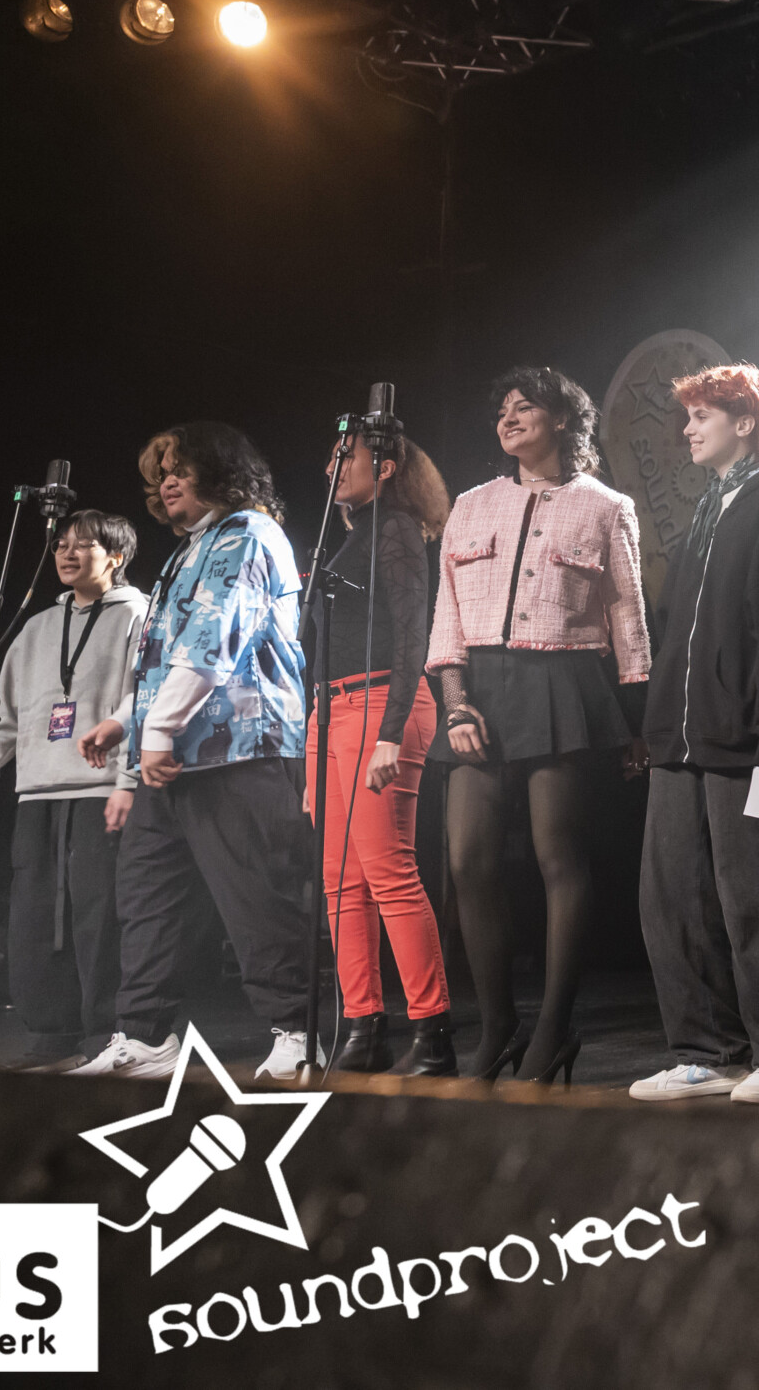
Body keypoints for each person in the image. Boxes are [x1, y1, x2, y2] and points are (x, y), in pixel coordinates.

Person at [72, 424, 316, 1082]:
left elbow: (214, 639)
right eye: (161, 473)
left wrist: (155, 732)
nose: (168, 481)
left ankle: (299, 1031)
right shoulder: (192, 548)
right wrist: (126, 721)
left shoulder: (247, 534)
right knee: (148, 899)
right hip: (177, 754)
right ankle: (144, 1037)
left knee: (256, 898)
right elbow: (167, 656)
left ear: (220, 470)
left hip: (242, 751)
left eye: (180, 467)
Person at [429, 367, 651, 1085]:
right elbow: (448, 613)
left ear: (562, 419)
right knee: (467, 859)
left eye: (526, 406)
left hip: (564, 682)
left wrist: (636, 720)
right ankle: (499, 1025)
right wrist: (455, 701)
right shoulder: (470, 504)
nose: (509, 416)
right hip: (481, 690)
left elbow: (628, 616)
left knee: (559, 857)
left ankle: (554, 1028)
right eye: (503, 408)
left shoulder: (607, 506)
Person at [630, 365, 759, 1106]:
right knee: (672, 896)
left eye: (701, 415)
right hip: (681, 740)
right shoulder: (709, 508)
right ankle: (706, 1052)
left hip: (750, 740)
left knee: (757, 890)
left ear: (746, 423)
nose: (688, 429)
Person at [0, 510, 146, 1069]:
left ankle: (107, 1033)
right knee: (34, 918)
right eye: (61, 544)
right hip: (36, 791)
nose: (67, 553)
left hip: (102, 789)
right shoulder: (37, 626)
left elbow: (145, 699)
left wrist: (128, 779)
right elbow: (2, 713)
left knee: (99, 915)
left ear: (116, 556)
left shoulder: (139, 616)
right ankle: (51, 1034)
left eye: (83, 545)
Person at [305, 428, 455, 1076]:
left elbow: (412, 634)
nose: (333, 467)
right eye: (332, 456)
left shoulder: (394, 529)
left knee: (389, 872)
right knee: (340, 881)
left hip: (380, 704)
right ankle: (364, 1028)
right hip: (331, 710)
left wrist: (391, 731)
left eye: (348, 457)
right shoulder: (348, 537)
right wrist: (314, 734)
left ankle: (433, 1035)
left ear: (386, 467)